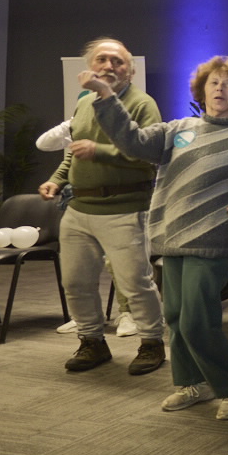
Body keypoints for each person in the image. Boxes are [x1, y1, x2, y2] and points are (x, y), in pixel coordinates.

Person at [81, 55, 228, 420]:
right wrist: (107, 97)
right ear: (202, 91)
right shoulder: (177, 129)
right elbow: (131, 141)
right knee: (174, 316)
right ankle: (192, 383)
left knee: (197, 322)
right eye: (214, 82)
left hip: (214, 241)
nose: (220, 89)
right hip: (171, 238)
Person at [39, 38, 166, 375]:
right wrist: (57, 179)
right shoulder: (84, 102)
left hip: (125, 208)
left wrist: (100, 152)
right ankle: (92, 341)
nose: (109, 66)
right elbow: (74, 150)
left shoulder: (142, 104)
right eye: (102, 60)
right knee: (76, 283)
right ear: (90, 67)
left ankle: (152, 343)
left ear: (131, 71)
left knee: (135, 284)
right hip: (79, 208)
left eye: (118, 61)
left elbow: (150, 154)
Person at [36, 117, 138, 338]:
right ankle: (85, 316)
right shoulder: (81, 120)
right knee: (80, 263)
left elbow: (137, 156)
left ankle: (128, 313)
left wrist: (99, 150)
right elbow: (68, 158)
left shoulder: (124, 119)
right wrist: (56, 180)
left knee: (117, 262)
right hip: (83, 204)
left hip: (118, 204)